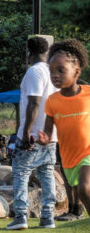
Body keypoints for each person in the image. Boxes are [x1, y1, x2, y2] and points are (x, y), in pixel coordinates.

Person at [8, 35, 59, 231]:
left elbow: (34, 102)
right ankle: (48, 216)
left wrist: (27, 131)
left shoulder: (34, 72)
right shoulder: (54, 72)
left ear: (29, 52)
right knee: (47, 174)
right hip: (50, 133)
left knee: (21, 172)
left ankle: (21, 216)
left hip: (33, 134)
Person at [38, 39, 90, 218]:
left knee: (84, 188)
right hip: (68, 156)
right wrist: (44, 138)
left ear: (76, 72)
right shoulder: (52, 101)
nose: (55, 75)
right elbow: (48, 130)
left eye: (61, 70)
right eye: (52, 71)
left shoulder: (88, 93)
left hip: (88, 153)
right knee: (80, 191)